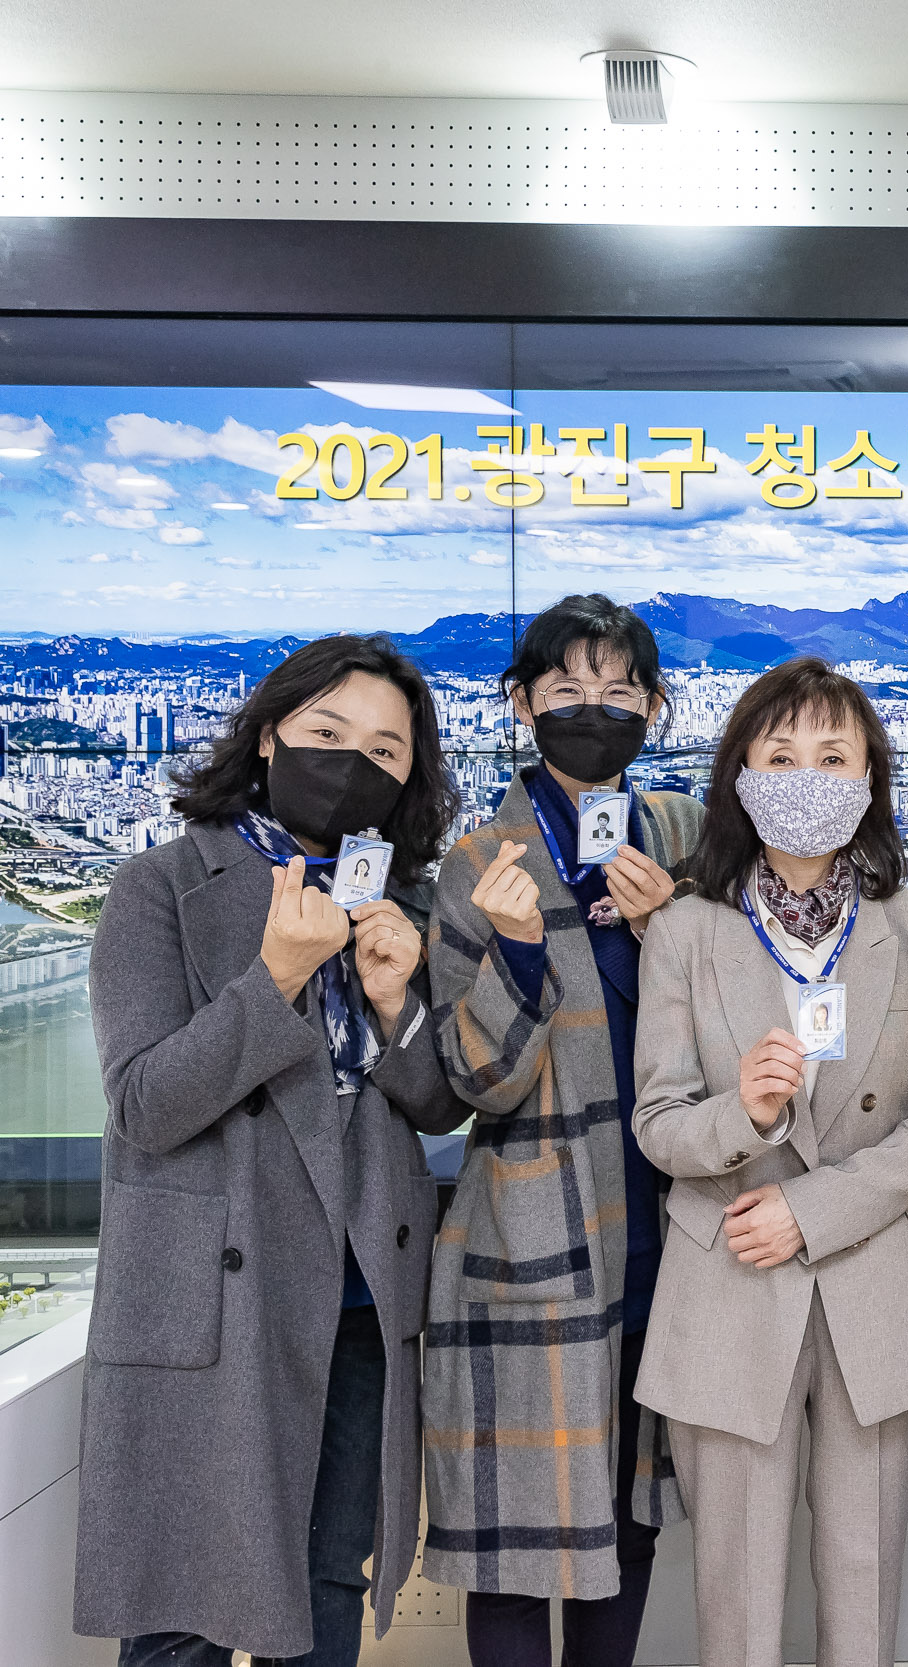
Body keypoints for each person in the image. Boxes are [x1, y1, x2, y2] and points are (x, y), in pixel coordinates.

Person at [77, 634, 466, 1665]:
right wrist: (277, 976)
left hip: (355, 1294)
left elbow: (433, 1106)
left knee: (330, 1575)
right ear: (265, 737)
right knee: (185, 1602)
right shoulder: (158, 888)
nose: (353, 765)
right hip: (218, 1294)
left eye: (385, 752)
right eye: (327, 734)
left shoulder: (398, 899)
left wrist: (395, 1004)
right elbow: (145, 1103)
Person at [632, 657, 908, 1667]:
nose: (807, 775)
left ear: (870, 774)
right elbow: (660, 1121)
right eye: (781, 754)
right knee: (734, 1600)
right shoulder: (688, 930)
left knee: (864, 1588)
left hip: (875, 1283)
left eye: (833, 755)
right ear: (738, 769)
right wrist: (742, 1112)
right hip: (730, 1283)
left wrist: (812, 1210)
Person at [423, 595, 699, 1666]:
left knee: (626, 1525)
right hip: (528, 1240)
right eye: (570, 689)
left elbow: (731, 1022)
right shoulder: (476, 863)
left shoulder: (677, 833)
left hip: (664, 1237)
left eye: (621, 690)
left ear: (656, 705)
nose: (597, 710)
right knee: (514, 1539)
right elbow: (472, 1079)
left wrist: (667, 927)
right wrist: (520, 953)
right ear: (522, 700)